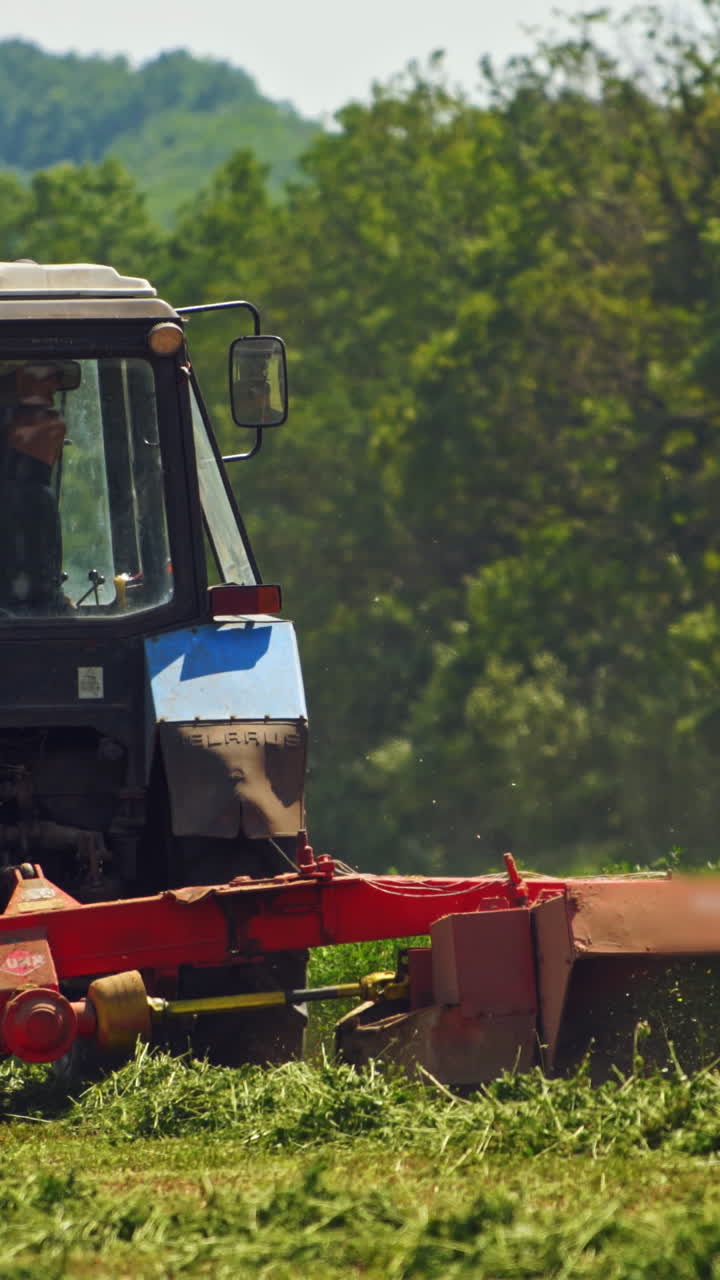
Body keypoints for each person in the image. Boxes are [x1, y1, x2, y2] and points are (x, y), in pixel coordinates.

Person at [0, 362, 76, 612]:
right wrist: (61, 609)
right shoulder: (29, 497)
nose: (57, 423)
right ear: (18, 434)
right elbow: (32, 596)